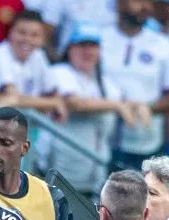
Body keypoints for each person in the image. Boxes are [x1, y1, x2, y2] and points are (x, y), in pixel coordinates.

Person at [40, 21, 135, 192]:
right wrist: (117, 106)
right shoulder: (59, 72)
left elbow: (124, 101)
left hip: (96, 171)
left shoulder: (103, 81)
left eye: (93, 46)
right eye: (82, 45)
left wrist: (139, 106)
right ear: (69, 49)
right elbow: (74, 103)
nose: (88, 51)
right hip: (62, 168)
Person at [100, 0, 169, 171]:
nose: (146, 7)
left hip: (144, 142)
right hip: (99, 138)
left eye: (149, 2)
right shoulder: (99, 38)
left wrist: (147, 108)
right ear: (119, 4)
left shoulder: (163, 44)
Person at [0, 10, 67, 122]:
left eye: (34, 35)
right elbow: (12, 98)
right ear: (10, 33)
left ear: (42, 39)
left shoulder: (39, 55)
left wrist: (55, 102)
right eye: (22, 33)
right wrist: (52, 103)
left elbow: (55, 95)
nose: (27, 39)